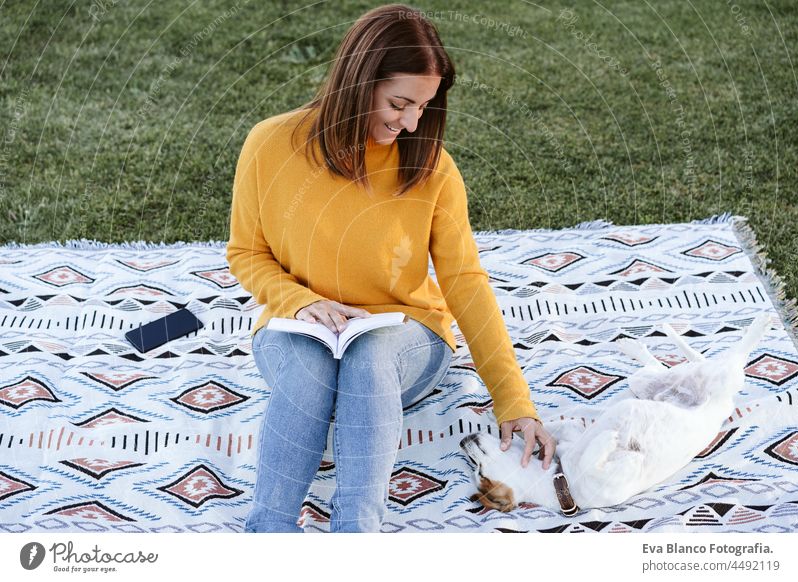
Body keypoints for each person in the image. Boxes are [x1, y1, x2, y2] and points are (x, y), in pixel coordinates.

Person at [226, 3, 555, 533]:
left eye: (423, 107)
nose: (411, 122)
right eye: (399, 103)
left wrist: (514, 400)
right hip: (298, 327)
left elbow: (465, 282)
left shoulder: (433, 168)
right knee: (310, 371)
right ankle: (269, 535)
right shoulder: (269, 144)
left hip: (405, 338)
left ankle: (358, 537)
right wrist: (301, 302)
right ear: (358, 84)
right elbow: (246, 253)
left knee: (370, 356)